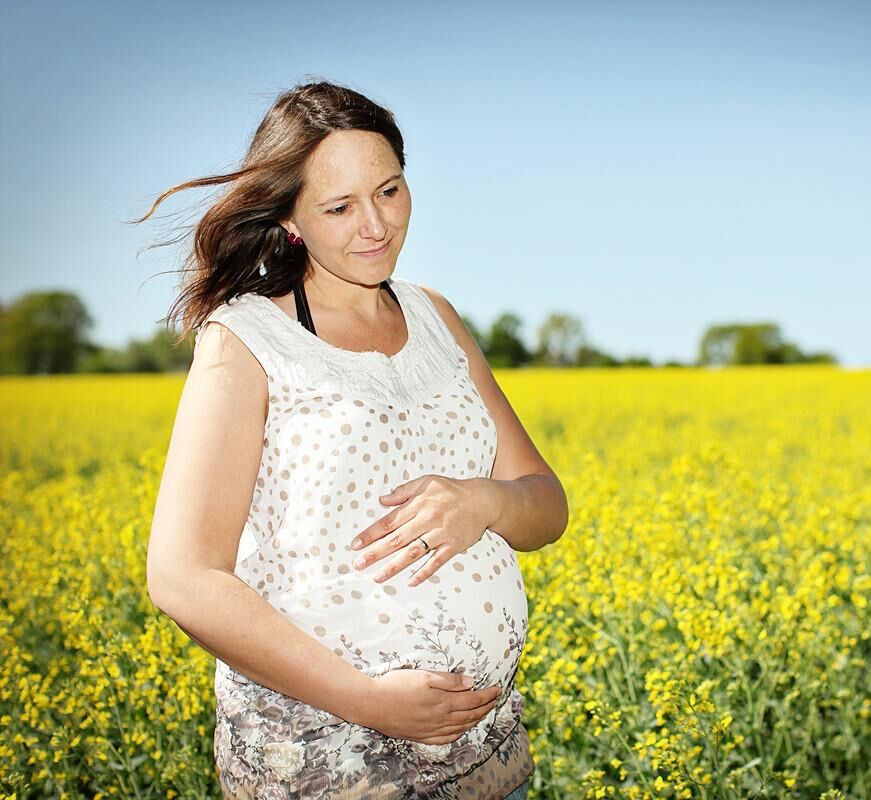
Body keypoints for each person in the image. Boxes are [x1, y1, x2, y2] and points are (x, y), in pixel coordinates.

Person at [143, 79, 568, 799]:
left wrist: (485, 503)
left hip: (484, 758)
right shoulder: (247, 340)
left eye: (390, 191)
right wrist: (365, 699)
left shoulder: (436, 316)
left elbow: (546, 505)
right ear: (290, 218)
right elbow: (183, 577)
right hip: (330, 761)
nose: (376, 226)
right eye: (340, 207)